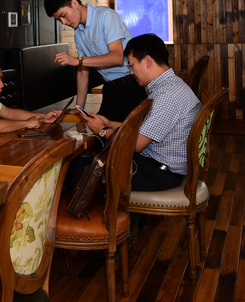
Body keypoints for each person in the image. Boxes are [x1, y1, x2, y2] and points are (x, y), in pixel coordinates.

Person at [79, 34, 202, 192]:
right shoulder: (171, 85)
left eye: (132, 65)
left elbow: (136, 144)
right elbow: (145, 130)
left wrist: (102, 131)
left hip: (159, 173)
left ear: (148, 61)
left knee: (80, 171)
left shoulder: (166, 95)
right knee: (92, 162)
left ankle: (116, 214)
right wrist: (110, 124)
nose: (131, 72)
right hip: (161, 165)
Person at [44, 0, 146, 124]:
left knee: (128, 138)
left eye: (63, 15)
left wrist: (78, 60)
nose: (64, 22)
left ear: (74, 3)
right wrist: (79, 108)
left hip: (133, 85)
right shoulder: (78, 33)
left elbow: (118, 57)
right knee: (97, 134)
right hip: (110, 88)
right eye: (59, 20)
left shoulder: (105, 16)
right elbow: (83, 71)